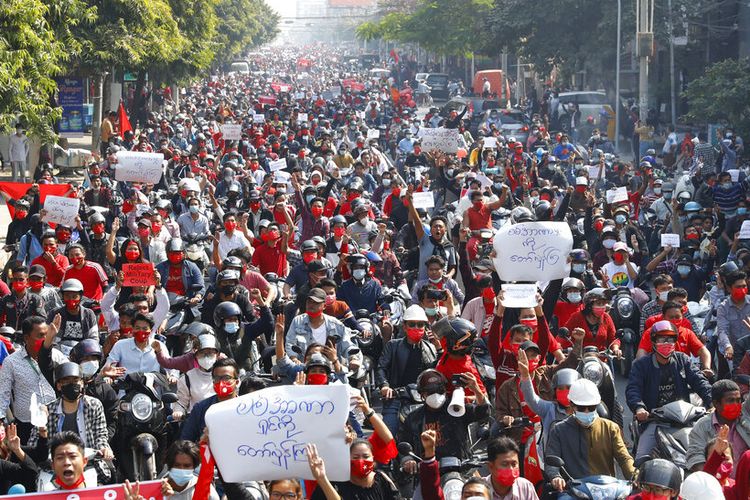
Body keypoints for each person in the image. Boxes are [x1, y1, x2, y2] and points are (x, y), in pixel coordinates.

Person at [627, 320, 712, 460]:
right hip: (655, 420)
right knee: (641, 460)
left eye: (670, 339)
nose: (666, 343)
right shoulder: (641, 365)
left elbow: (700, 382)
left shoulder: (683, 360)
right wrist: (639, 408)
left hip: (685, 419)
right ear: (654, 342)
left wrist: (712, 402)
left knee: (708, 450)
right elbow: (633, 389)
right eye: (662, 339)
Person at [27, 362, 113, 484]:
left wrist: (104, 449)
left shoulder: (94, 405)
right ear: (58, 386)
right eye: (66, 381)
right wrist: (41, 427)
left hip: (89, 464)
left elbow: (101, 434)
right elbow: (34, 444)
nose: (72, 384)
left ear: (82, 383)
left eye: (75, 380)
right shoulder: (47, 410)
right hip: (53, 469)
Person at [544, 379, 634, 492]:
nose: (586, 412)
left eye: (591, 407)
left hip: (606, 492)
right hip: (573, 492)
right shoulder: (558, 430)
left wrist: (635, 476)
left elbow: (624, 458)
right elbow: (552, 461)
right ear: (571, 405)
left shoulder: (611, 428)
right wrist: (556, 477)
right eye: (581, 408)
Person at [377, 304, 440, 434]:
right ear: (404, 326)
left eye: (420, 324)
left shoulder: (431, 348)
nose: (416, 328)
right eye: (412, 324)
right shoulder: (392, 345)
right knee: (388, 435)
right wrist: (384, 386)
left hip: (424, 399)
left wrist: (440, 349)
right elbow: (381, 368)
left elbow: (438, 371)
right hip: (396, 397)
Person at [0, 316, 63, 443]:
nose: (46, 338)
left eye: (48, 334)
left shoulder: (57, 356)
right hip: (26, 425)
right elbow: (3, 394)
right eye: (40, 335)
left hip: (54, 422)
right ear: (26, 338)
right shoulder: (11, 362)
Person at [686, 379, 749, 471]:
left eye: (738, 400)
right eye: (730, 400)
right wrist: (710, 479)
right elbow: (695, 459)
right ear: (716, 404)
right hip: (719, 482)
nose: (736, 404)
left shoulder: (745, 414)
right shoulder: (702, 427)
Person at [180, 358, 241, 442]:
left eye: (226, 378)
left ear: (236, 382)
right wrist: (202, 443)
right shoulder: (200, 409)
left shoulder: (246, 408)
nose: (221, 382)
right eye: (217, 378)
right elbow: (185, 442)